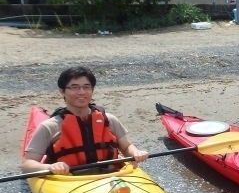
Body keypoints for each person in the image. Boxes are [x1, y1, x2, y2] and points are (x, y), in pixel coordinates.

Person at [21, 66, 149, 175]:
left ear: (92, 90)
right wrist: (49, 167)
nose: (81, 92)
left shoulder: (109, 119)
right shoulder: (50, 126)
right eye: (74, 87)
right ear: (62, 91)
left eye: (86, 87)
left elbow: (127, 147)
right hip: (68, 180)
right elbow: (27, 164)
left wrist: (135, 152)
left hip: (112, 177)